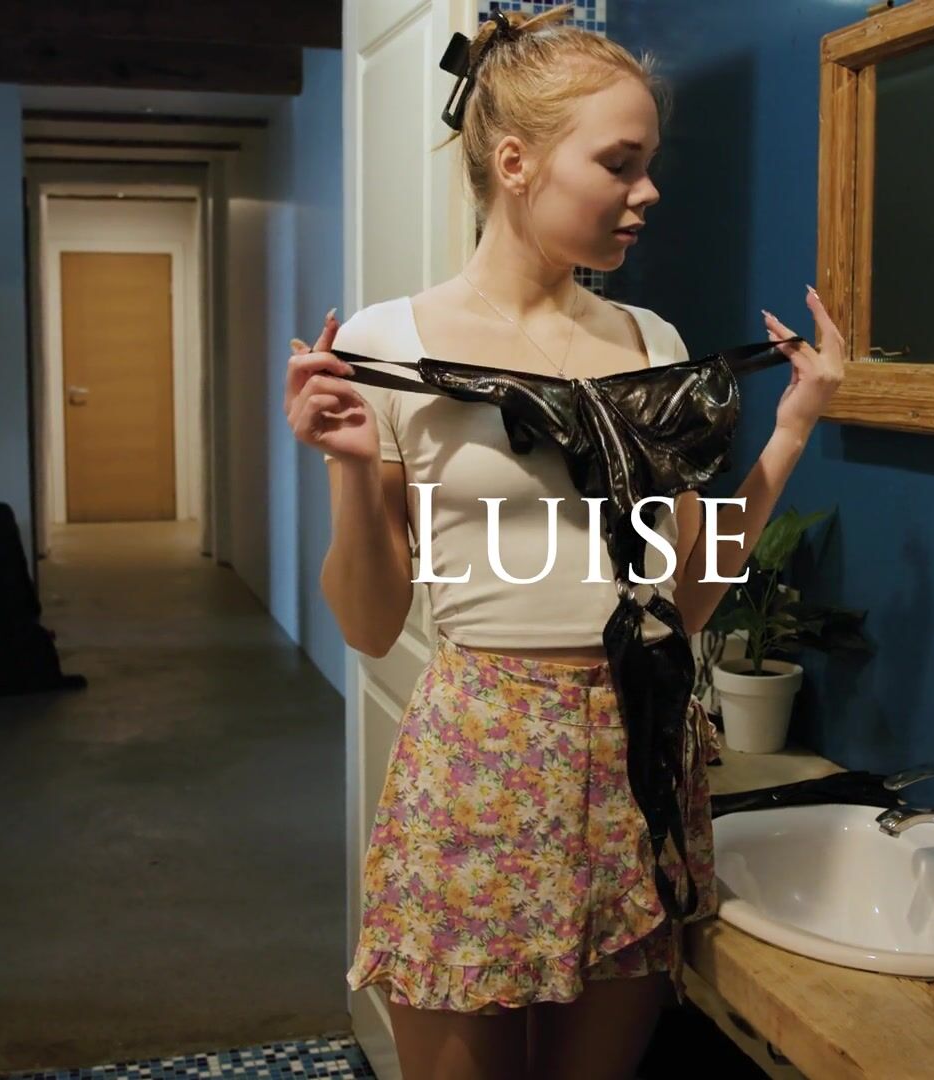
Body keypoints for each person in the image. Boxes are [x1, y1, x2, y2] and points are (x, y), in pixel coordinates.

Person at [280, 8, 844, 1078]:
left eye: (649, 165)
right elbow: (369, 623)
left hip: (636, 755)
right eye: (620, 164)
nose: (649, 192)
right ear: (515, 162)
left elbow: (685, 603)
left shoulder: (652, 344)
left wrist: (790, 434)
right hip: (481, 763)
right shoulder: (390, 345)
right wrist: (351, 466)